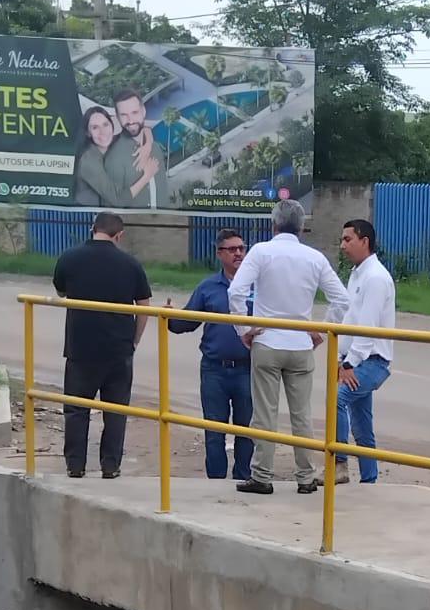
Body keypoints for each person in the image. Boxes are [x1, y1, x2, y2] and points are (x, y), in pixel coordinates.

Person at [229, 199, 349, 495]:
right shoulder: (314, 258)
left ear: (274, 224)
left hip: (267, 341)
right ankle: (306, 477)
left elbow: (236, 291)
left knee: (265, 413)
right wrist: (320, 332)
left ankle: (262, 475)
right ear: (302, 227)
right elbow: (342, 300)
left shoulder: (261, 252)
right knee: (301, 414)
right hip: (300, 344)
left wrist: (244, 328)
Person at [52, 211, 151, 479]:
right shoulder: (130, 264)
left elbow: (61, 291)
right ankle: (110, 466)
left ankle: (75, 465)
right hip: (118, 349)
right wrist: (135, 340)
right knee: (116, 411)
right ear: (119, 235)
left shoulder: (70, 258)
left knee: (76, 409)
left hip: (80, 348)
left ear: (92, 228)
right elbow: (144, 306)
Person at [167, 228, 255, 481]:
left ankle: (243, 478)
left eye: (241, 248)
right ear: (219, 254)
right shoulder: (208, 287)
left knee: (246, 430)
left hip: (247, 369)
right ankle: (216, 481)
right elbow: (188, 321)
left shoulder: (256, 285)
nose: (238, 253)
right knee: (214, 430)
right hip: (215, 369)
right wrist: (169, 318)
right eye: (232, 249)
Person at [333, 219, 395, 486]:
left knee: (337, 400)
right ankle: (369, 480)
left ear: (364, 241)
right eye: (342, 240)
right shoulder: (358, 274)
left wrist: (349, 364)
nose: (342, 245)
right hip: (356, 360)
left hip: (372, 361)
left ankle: (339, 464)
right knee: (362, 423)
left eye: (348, 239)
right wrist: (340, 356)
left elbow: (367, 328)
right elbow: (350, 320)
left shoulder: (376, 278)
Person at [103, 89, 167, 209]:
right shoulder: (114, 158)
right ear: (117, 117)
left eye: (134, 112)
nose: (130, 120)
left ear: (143, 112)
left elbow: (163, 189)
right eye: (124, 115)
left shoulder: (155, 148)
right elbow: (113, 204)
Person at [72, 105, 117, 207]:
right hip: (85, 217)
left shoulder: (115, 145)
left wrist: (147, 133)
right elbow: (114, 197)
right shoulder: (87, 160)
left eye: (105, 124)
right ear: (88, 133)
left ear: (112, 125)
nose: (103, 131)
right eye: (95, 127)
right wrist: (146, 176)